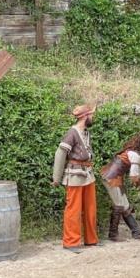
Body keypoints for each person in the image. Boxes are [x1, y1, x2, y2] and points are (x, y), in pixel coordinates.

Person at [52, 104, 99, 252]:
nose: (92, 117)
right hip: (74, 176)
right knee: (73, 209)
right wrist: (56, 178)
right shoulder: (72, 133)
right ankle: (71, 242)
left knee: (90, 208)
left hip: (88, 175)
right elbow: (60, 154)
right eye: (91, 115)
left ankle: (91, 239)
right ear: (85, 116)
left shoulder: (86, 132)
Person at [100, 130, 140, 241]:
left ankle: (137, 232)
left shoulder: (132, 151)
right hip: (112, 178)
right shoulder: (135, 155)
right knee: (119, 205)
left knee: (125, 205)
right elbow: (133, 176)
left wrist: (139, 181)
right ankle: (113, 235)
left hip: (113, 177)